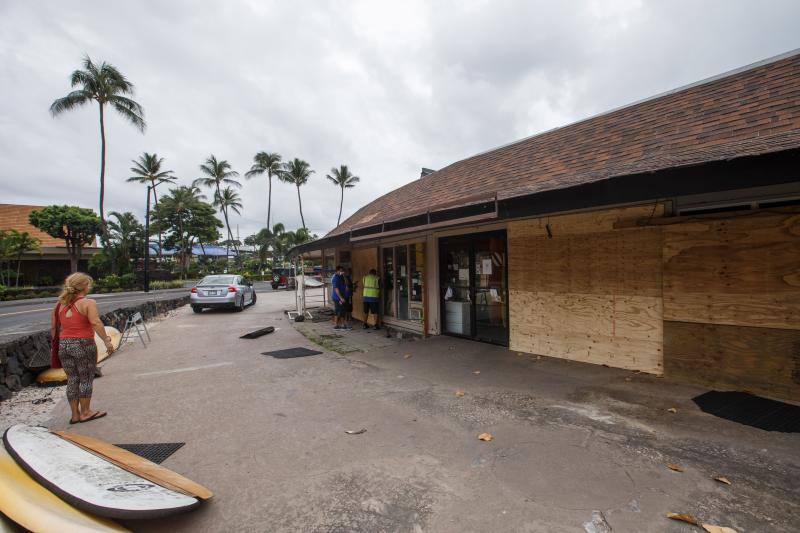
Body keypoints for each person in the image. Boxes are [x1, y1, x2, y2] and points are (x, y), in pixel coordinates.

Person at [51, 272, 114, 424]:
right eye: (88, 284)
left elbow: (54, 328)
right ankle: (85, 412)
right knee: (85, 378)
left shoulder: (60, 304)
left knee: (72, 378)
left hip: (64, 345)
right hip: (83, 344)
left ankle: (75, 415)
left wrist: (58, 345)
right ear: (84, 286)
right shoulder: (88, 303)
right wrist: (106, 341)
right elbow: (96, 323)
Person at [331, 265, 351, 331]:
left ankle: (341, 325)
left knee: (342, 310)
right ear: (337, 271)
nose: (342, 272)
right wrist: (341, 298)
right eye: (341, 271)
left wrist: (344, 276)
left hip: (343, 296)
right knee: (339, 311)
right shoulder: (335, 278)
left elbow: (346, 283)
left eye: (343, 271)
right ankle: (338, 325)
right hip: (338, 298)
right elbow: (336, 289)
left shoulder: (341, 277)